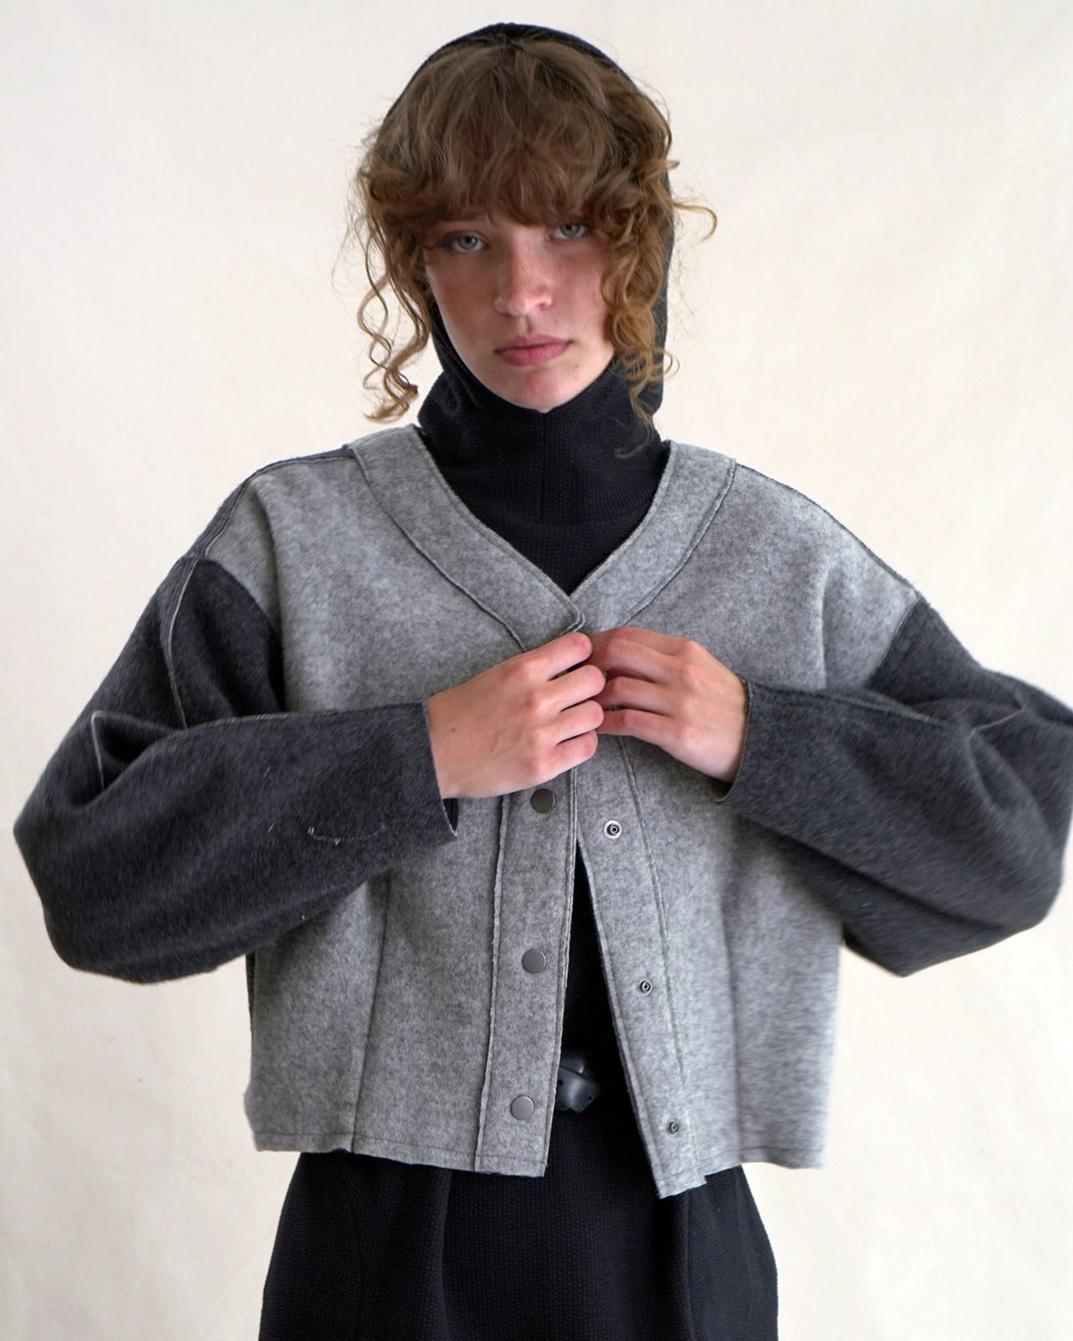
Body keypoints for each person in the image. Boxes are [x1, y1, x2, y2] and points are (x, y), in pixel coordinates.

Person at [11, 21, 1073, 1341]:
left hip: (683, 1266)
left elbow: (1014, 838)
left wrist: (767, 738)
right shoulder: (296, 542)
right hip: (377, 1269)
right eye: (467, 238)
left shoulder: (775, 556)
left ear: (640, 242)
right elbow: (93, 874)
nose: (522, 292)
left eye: (569, 229)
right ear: (413, 261)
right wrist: (416, 758)